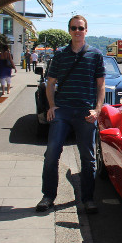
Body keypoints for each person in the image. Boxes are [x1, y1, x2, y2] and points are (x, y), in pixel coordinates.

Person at [36, 15, 106, 214]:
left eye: (81, 28)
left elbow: (100, 85)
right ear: (69, 30)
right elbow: (50, 83)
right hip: (63, 111)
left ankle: (88, 199)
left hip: (85, 112)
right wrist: (51, 106)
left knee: (88, 158)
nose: (77, 31)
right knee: (51, 154)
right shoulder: (60, 54)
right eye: (74, 28)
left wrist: (98, 109)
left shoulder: (95, 55)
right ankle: (48, 196)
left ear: (86, 30)